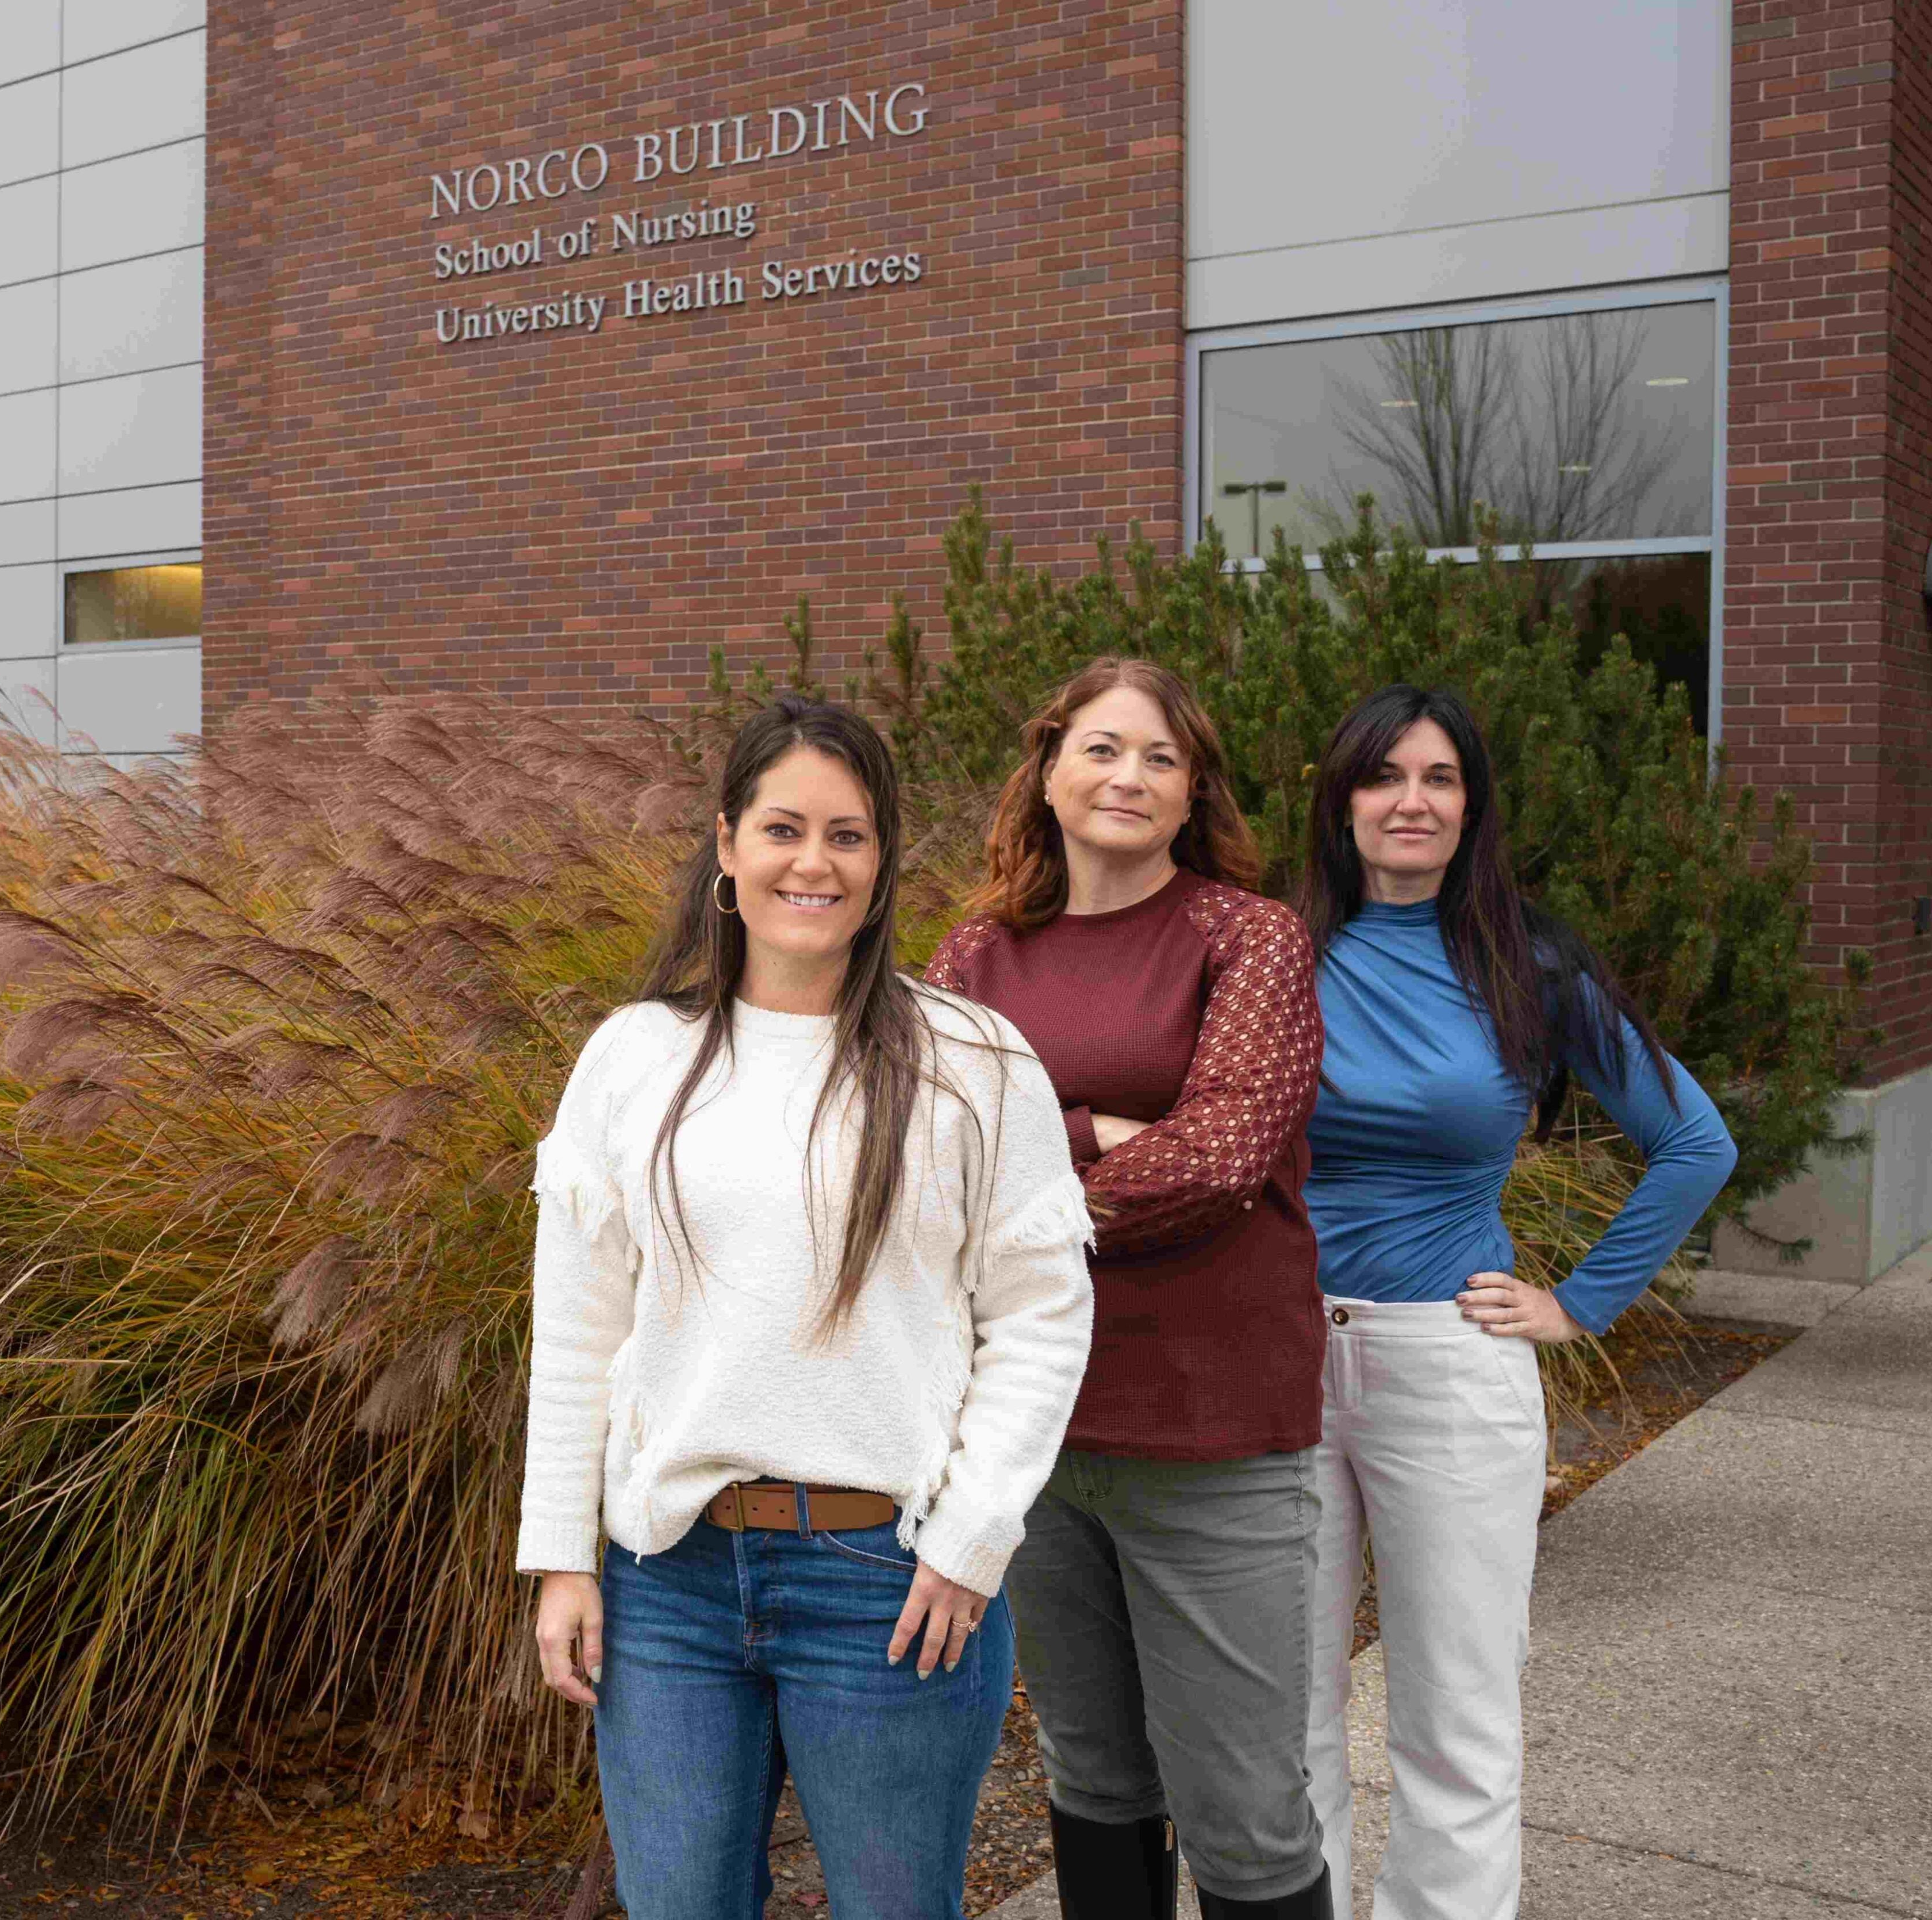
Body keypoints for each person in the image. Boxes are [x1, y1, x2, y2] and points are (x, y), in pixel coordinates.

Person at [521, 694, 1096, 1920]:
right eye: (783, 828)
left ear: (883, 862)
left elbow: (1043, 1317)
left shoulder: (972, 1062)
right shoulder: (633, 1056)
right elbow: (576, 1331)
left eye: (847, 835)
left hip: (887, 1586)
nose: (812, 862)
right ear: (726, 845)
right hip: (665, 1579)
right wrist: (559, 1555)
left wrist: (974, 1532)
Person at [1295, 686, 1736, 1919]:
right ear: (1342, 800)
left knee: (1457, 1713)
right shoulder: (1276, 950)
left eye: (1440, 777)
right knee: (1279, 1717)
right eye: (1383, 775)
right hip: (1274, 1362)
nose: (1411, 799)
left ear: (1471, 805)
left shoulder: (1525, 959)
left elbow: (1692, 1140)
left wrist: (1578, 1301)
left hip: (1447, 1362)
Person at [925, 656, 1334, 1919]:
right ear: (1047, 771)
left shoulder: (1248, 936)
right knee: (1092, 1777)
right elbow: (931, 1155)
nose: (1129, 775)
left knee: (1244, 1815)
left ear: (1192, 789)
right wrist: (1106, 1125)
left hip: (1209, 1430)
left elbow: (1218, 1157)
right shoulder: (977, 951)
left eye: (1161, 756)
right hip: (1034, 1431)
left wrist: (1034, 1158)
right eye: (1101, 747)